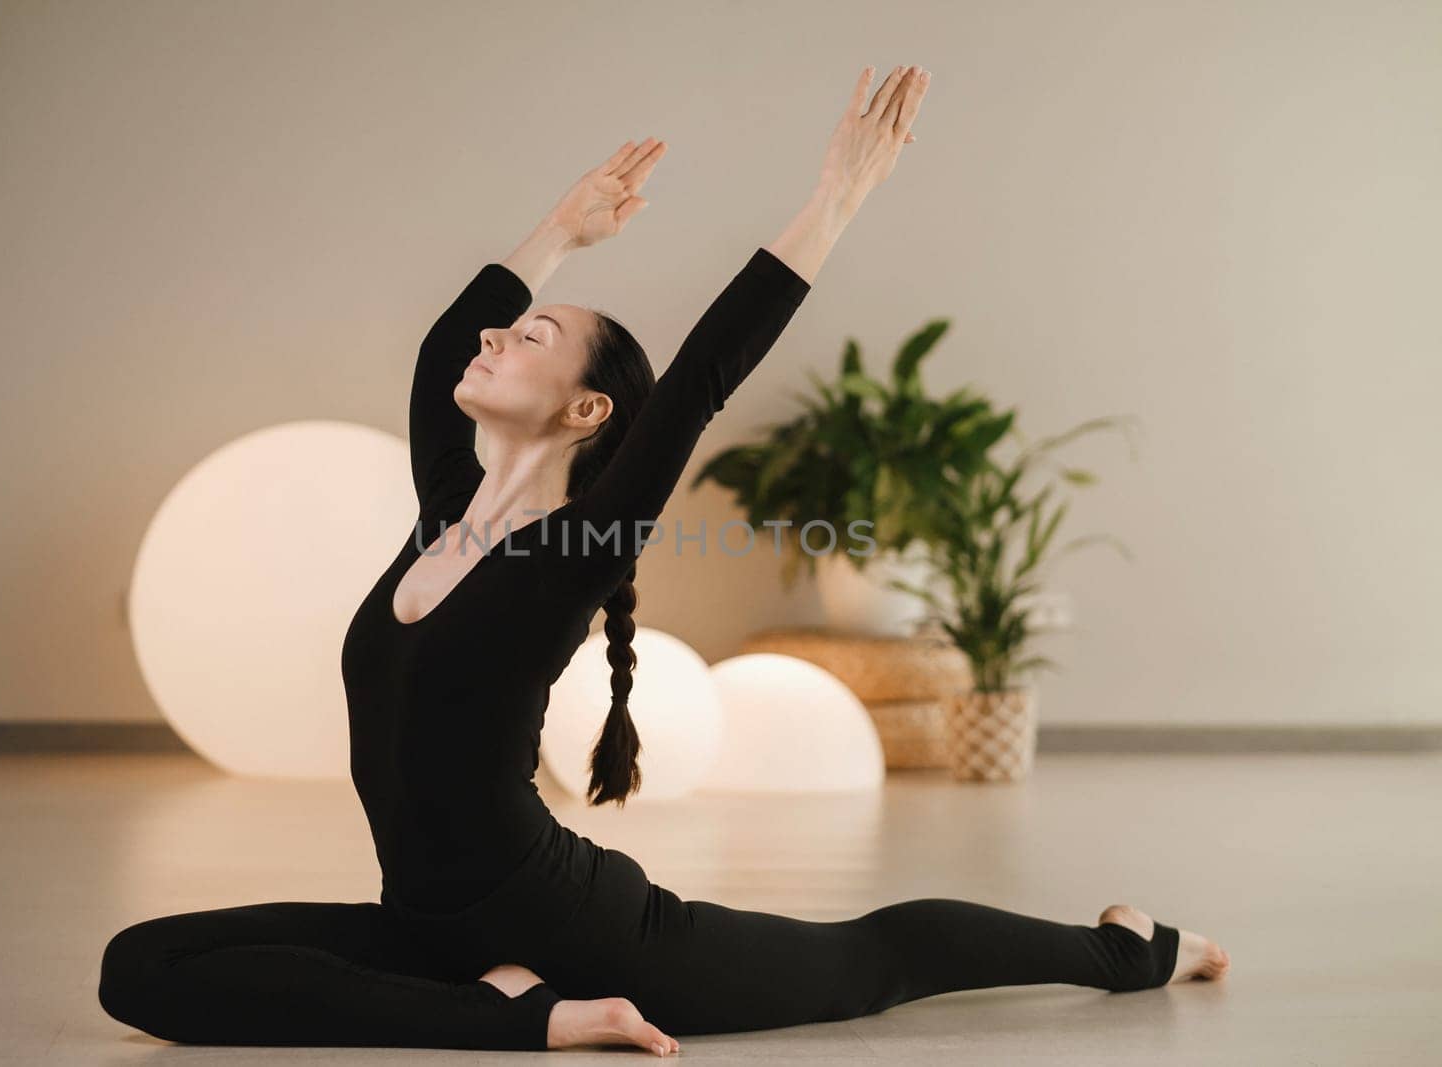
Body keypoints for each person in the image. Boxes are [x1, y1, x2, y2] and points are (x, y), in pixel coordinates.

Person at [98, 64, 1229, 1055]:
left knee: (865, 961)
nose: (497, 337)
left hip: (578, 927)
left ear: (587, 408)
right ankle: (513, 1008)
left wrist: (834, 196)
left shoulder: (575, 546)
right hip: (422, 924)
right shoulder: (442, 510)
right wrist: (560, 231)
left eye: (529, 336)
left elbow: (695, 380)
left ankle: (1123, 950)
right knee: (138, 964)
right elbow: (447, 343)